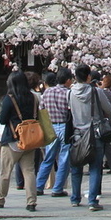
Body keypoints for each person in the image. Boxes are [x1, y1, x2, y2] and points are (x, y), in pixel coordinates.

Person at [0, 71, 39, 212]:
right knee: (29, 171)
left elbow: (3, 120)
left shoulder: (9, 99)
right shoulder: (33, 98)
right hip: (29, 139)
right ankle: (31, 201)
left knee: (5, 171)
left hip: (12, 140)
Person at [68, 64, 111, 212]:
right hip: (95, 133)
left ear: (75, 77)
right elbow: (108, 109)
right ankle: (92, 200)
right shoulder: (96, 92)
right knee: (95, 167)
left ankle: (75, 198)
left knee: (76, 166)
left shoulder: (70, 93)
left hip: (77, 133)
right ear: (88, 77)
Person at [36, 67, 73, 197]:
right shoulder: (68, 93)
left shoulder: (47, 92)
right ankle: (57, 188)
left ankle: (39, 186)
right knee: (64, 159)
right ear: (68, 80)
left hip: (51, 126)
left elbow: (41, 109)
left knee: (48, 158)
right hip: (65, 126)